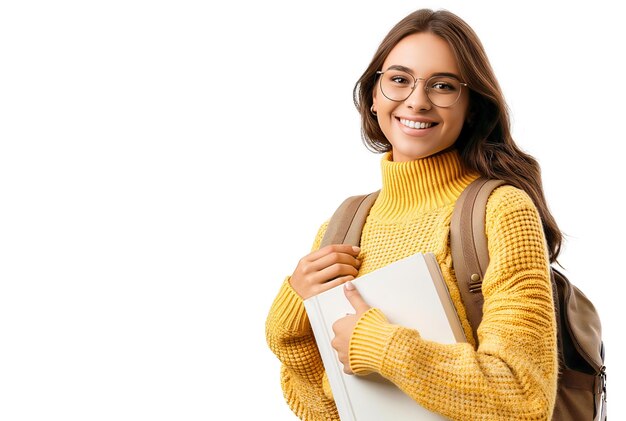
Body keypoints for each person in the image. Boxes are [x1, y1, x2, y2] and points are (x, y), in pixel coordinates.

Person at [265, 8, 559, 420]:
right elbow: (329, 411)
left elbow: (525, 402)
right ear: (373, 96)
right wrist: (290, 320)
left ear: (472, 106)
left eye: (443, 86)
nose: (417, 101)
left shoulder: (501, 210)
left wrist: (380, 345)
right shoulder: (343, 225)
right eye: (399, 80)